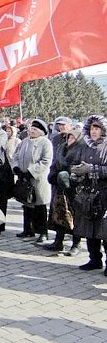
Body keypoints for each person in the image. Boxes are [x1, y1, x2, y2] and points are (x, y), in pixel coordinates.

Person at [70, 115, 107, 273]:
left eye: (97, 128)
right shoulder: (85, 146)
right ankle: (94, 259)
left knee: (104, 230)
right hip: (87, 194)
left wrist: (91, 169)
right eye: (92, 128)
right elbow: (76, 162)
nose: (94, 131)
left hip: (104, 193)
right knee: (89, 228)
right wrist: (76, 172)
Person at [13, 119, 53, 242]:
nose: (32, 131)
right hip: (24, 178)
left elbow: (46, 160)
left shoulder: (45, 143)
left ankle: (43, 232)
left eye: (35, 129)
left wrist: (31, 171)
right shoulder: (24, 141)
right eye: (31, 128)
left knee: (39, 206)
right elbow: (16, 155)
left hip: (38, 179)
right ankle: (28, 229)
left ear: (40, 132)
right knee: (26, 204)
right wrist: (17, 168)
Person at [46, 129, 84, 253]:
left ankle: (76, 244)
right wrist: (53, 175)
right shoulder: (61, 148)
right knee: (59, 214)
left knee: (74, 216)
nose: (69, 140)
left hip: (73, 188)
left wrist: (67, 175)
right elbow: (55, 163)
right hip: (59, 187)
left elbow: (80, 167)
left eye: (72, 138)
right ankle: (58, 241)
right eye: (68, 137)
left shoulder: (81, 149)